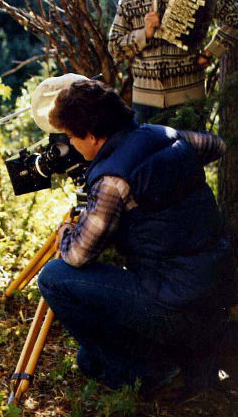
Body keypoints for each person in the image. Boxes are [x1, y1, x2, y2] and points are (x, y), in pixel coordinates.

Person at [37, 77, 235, 397]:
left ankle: (141, 374)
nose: (71, 145)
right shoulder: (163, 135)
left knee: (54, 277)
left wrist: (66, 233)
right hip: (217, 289)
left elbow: (77, 255)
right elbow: (217, 145)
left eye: (73, 137)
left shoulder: (112, 178)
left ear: (90, 135)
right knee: (88, 358)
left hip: (174, 304)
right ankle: (171, 355)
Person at [108, 0, 238, 125]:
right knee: (149, 156)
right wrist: (145, 33)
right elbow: (115, 49)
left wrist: (211, 52)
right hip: (145, 104)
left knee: (191, 155)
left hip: (188, 100)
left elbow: (235, 12)